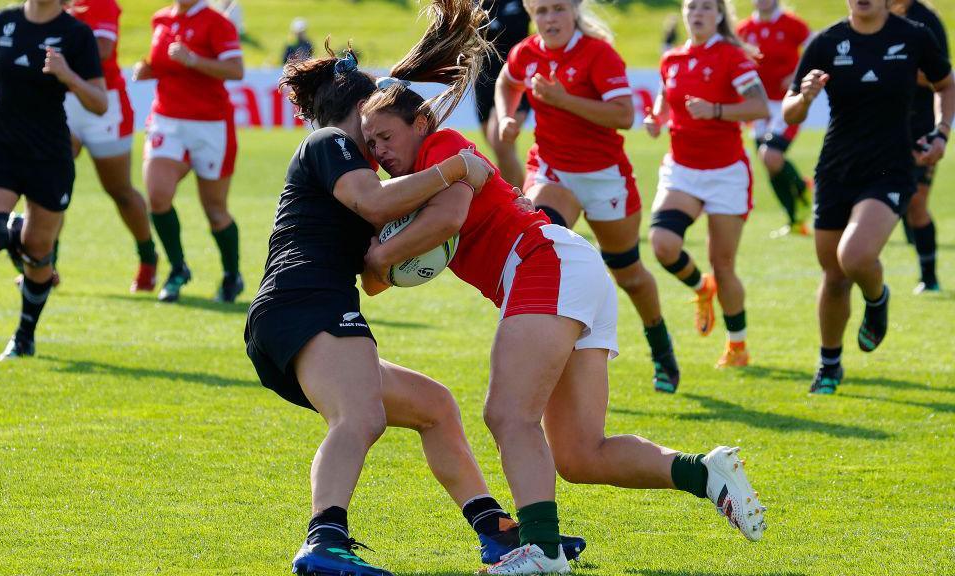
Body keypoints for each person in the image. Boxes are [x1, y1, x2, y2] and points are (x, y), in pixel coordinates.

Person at [360, 16, 767, 576]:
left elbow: (450, 215)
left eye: (387, 136)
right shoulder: (416, 176)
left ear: (422, 121)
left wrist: (379, 259)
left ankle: (543, 553)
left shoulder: (444, 147)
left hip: (543, 262)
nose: (380, 150)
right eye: (371, 142)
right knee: (579, 453)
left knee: (508, 415)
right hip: (566, 267)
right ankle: (704, 472)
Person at [246, 4, 584, 574]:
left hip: (300, 314)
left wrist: (399, 256)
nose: (380, 144)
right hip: (305, 305)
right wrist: (456, 171)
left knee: (433, 406)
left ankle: (494, 531)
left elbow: (375, 278)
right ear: (357, 110)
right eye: (372, 119)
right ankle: (323, 541)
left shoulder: (355, 166)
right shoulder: (329, 143)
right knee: (360, 417)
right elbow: (377, 205)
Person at [494, 0, 682, 393]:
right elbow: (506, 82)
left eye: (558, 9)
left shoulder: (599, 54)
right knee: (541, 249)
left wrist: (564, 100)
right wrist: (508, 115)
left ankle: (661, 348)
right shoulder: (525, 52)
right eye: (541, 11)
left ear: (575, 10)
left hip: (603, 178)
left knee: (628, 273)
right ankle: (547, 357)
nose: (549, 19)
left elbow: (623, 115)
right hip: (551, 171)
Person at [783, 0, 953, 394]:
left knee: (855, 255)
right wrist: (804, 98)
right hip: (836, 170)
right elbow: (790, 112)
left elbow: (946, 82)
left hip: (891, 166)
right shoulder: (827, 41)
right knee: (835, 277)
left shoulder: (913, 36)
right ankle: (830, 364)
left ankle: (877, 301)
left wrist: (942, 130)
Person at [0, 0, 106, 360]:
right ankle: (19, 230)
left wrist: (67, 74)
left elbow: (100, 102)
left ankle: (24, 336)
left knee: (39, 253)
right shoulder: (1, 22)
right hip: (2, 149)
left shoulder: (76, 33)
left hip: (50, 155)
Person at [643, 0, 770, 369]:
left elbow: (760, 106)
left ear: (719, 15)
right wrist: (656, 117)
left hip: (726, 172)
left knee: (723, 263)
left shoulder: (732, 56)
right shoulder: (673, 58)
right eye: (692, 7)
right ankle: (702, 287)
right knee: (663, 245)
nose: (697, 12)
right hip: (682, 169)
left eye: (706, 7)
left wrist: (716, 111)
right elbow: (666, 99)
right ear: (685, 14)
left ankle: (737, 346)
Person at [133, 0, 245, 303]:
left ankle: (231, 275)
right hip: (166, 121)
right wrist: (148, 69)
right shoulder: (160, 19)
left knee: (215, 211)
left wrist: (193, 60)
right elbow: (163, 63)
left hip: (211, 126)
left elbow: (236, 70)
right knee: (157, 196)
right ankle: (178, 269)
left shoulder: (217, 23)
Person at [66, 0, 158, 292]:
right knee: (50, 183)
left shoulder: (101, 3)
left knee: (119, 191)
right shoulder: (50, 5)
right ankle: (44, 265)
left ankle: (147, 257)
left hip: (104, 102)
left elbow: (102, 50)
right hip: (60, 99)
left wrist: (54, 46)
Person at [737, 0, 813, 237]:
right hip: (759, 106)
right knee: (770, 165)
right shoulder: (743, 29)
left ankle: (803, 189)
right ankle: (795, 220)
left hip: (788, 103)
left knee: (770, 155)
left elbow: (816, 51)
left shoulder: (793, 24)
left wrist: (795, 75)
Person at [890, 0, 950, 293]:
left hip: (920, 125)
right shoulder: (872, 15)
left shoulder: (927, 22)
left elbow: (941, 76)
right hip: (881, 127)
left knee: (916, 202)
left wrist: (897, 67)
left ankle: (929, 277)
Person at [476, 0, 532, 185]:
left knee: (500, 142)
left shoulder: (521, 3)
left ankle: (519, 205)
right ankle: (519, 197)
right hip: (483, 80)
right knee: (499, 147)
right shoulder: (474, 3)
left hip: (515, 78)